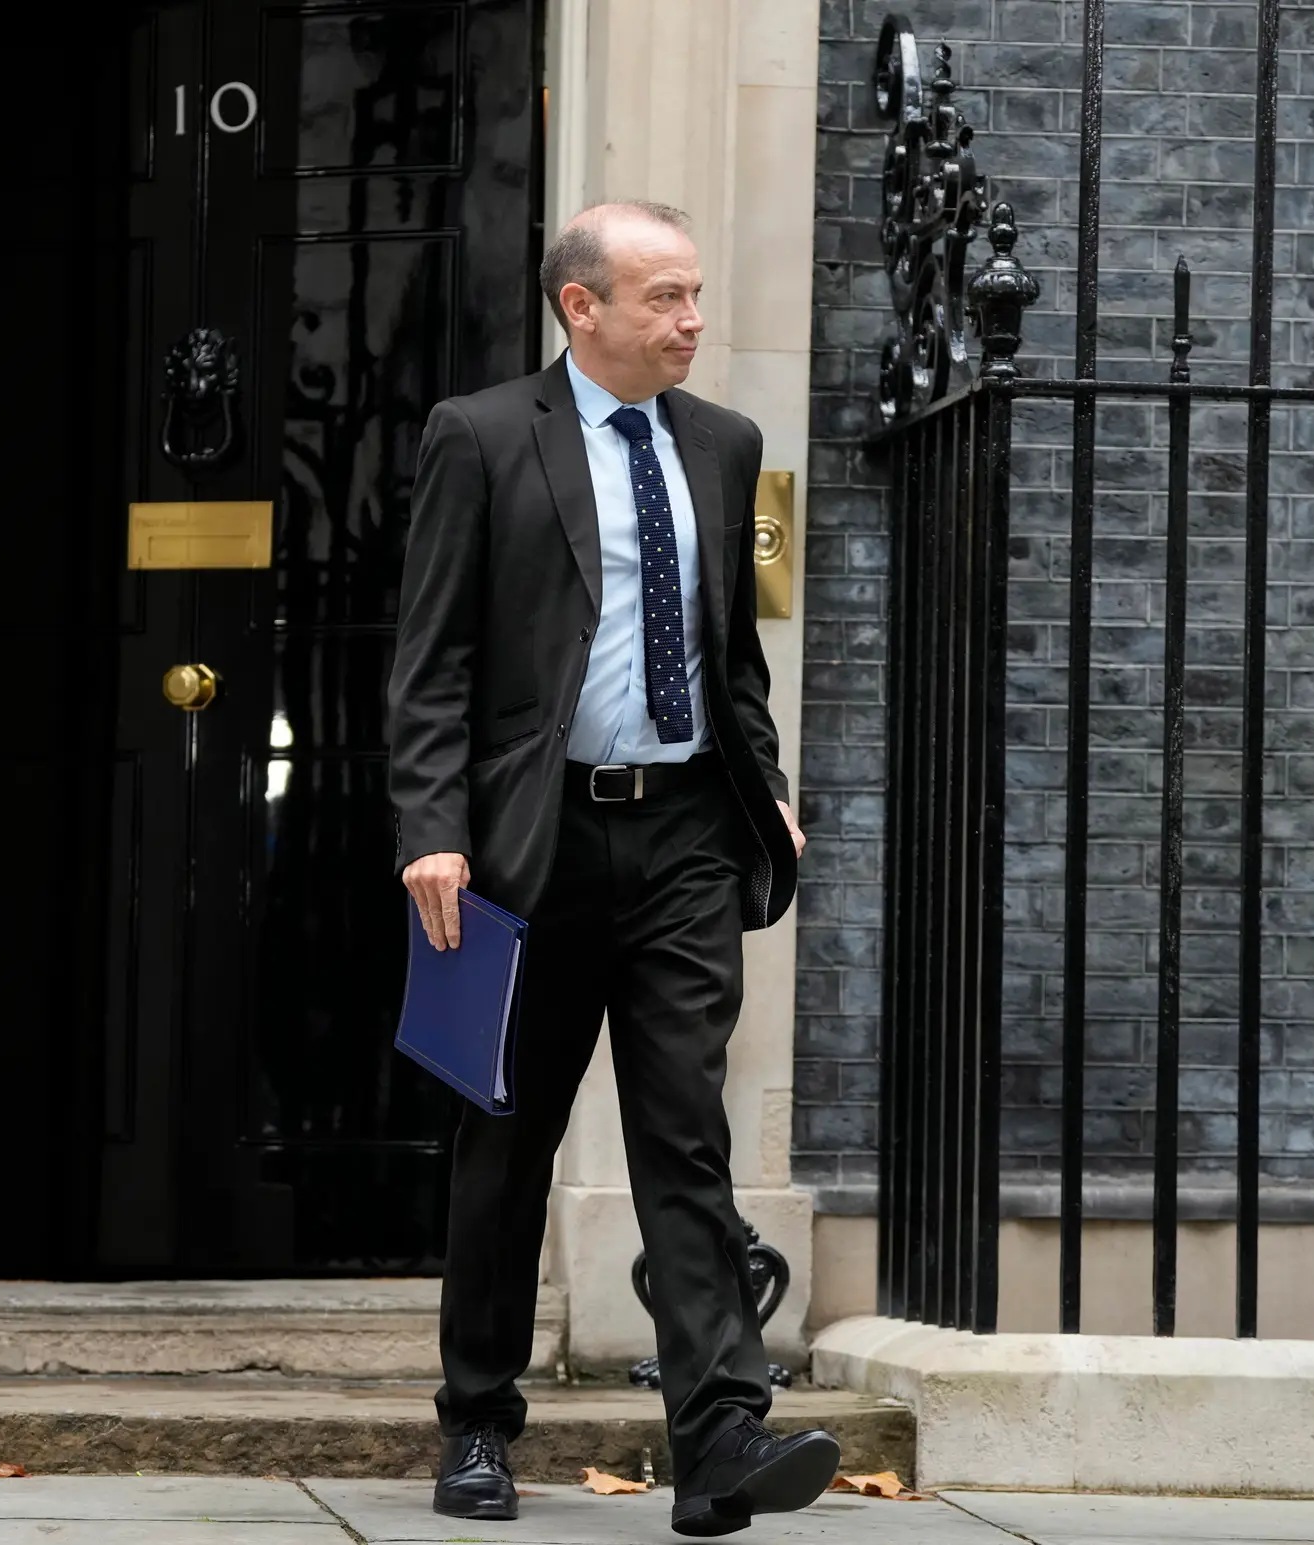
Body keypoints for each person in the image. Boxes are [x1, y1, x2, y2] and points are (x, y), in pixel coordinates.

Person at [386, 201, 838, 1536]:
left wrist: (770, 790)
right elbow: (433, 663)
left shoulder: (725, 445)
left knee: (685, 1141)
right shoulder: (479, 438)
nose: (693, 320)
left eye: (698, 296)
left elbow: (730, 658)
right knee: (502, 1144)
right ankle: (477, 1426)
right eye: (666, 299)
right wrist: (429, 828)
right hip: (529, 847)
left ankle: (720, 1446)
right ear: (582, 307)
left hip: (688, 838)